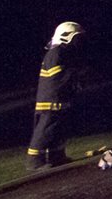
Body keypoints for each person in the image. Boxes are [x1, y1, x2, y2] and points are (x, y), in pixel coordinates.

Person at [26, 21, 85, 170]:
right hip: (50, 101)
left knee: (59, 128)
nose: (78, 42)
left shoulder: (64, 53)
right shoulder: (56, 53)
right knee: (46, 129)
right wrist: (74, 74)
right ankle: (34, 160)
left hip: (59, 99)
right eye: (76, 38)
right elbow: (56, 75)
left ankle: (56, 155)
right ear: (66, 36)